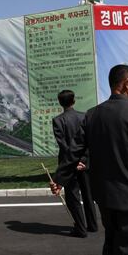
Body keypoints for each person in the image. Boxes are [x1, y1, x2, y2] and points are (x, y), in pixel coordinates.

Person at [51, 64, 128, 255]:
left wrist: (60, 179)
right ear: (126, 83)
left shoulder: (93, 114)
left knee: (111, 246)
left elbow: (73, 150)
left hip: (105, 197)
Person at [52, 90, 97, 238]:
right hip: (84, 163)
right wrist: (83, 160)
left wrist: (73, 162)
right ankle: (92, 225)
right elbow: (89, 141)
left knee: (73, 196)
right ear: (74, 100)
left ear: (60, 102)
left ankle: (81, 228)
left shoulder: (58, 120)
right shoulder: (84, 116)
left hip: (68, 163)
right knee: (88, 194)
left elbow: (63, 145)